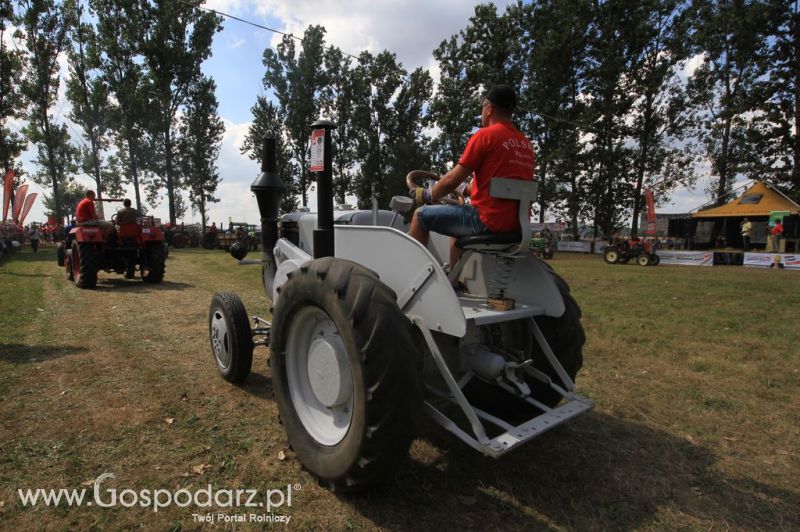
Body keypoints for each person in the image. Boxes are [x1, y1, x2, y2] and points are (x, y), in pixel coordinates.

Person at [408, 84, 535, 267]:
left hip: (487, 222)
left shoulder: (485, 136)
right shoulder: (526, 144)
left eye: (482, 108)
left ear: (489, 109)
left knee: (420, 215)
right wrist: (463, 189)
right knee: (457, 221)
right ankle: (455, 278)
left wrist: (428, 195)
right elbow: (500, 186)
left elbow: (452, 179)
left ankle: (413, 274)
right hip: (518, 226)